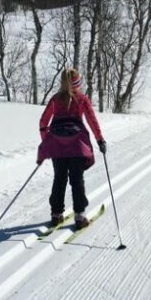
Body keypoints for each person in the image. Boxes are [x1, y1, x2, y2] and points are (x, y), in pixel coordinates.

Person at [37, 68, 106, 229]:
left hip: (57, 146)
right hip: (77, 145)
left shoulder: (55, 99)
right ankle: (80, 216)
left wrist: (47, 141)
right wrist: (100, 140)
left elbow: (43, 122)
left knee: (59, 178)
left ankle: (56, 215)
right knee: (77, 179)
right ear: (77, 83)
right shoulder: (82, 99)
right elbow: (92, 120)